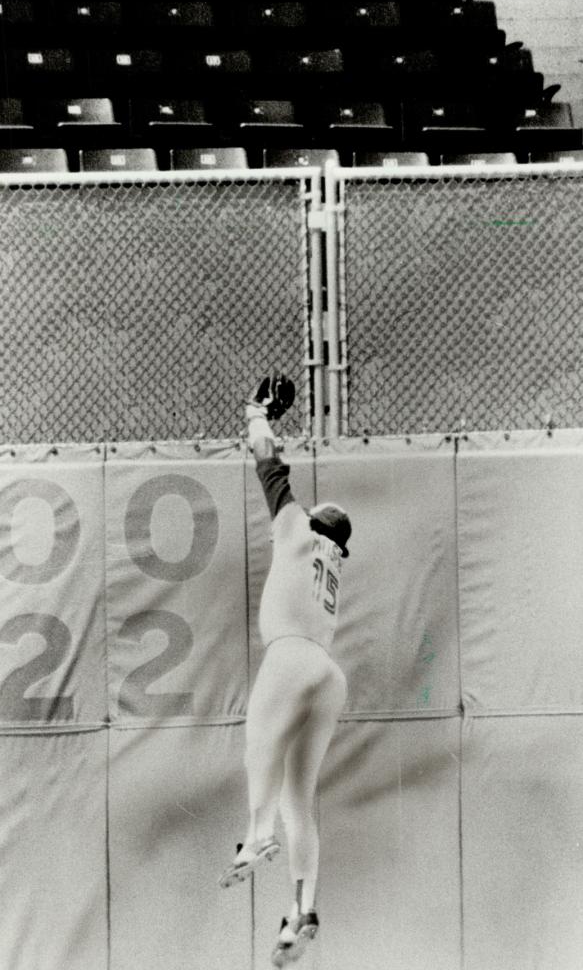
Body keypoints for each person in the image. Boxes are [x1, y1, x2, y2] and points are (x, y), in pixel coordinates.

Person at [219, 375, 352, 967]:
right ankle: (302, 910)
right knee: (301, 796)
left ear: (317, 518)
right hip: (328, 674)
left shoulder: (298, 528)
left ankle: (257, 834)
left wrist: (256, 413)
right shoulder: (332, 559)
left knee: (258, 742)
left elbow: (268, 465)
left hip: (292, 653)